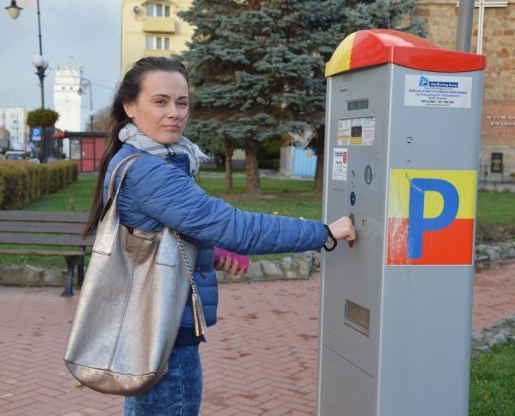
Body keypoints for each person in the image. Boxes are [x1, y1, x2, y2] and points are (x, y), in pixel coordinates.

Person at [82, 56, 355, 416]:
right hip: (163, 333)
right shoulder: (151, 172)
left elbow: (180, 227)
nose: (175, 113)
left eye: (182, 103)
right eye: (160, 102)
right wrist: (324, 233)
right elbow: (236, 227)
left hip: (148, 328)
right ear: (130, 107)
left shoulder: (145, 157)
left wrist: (214, 246)